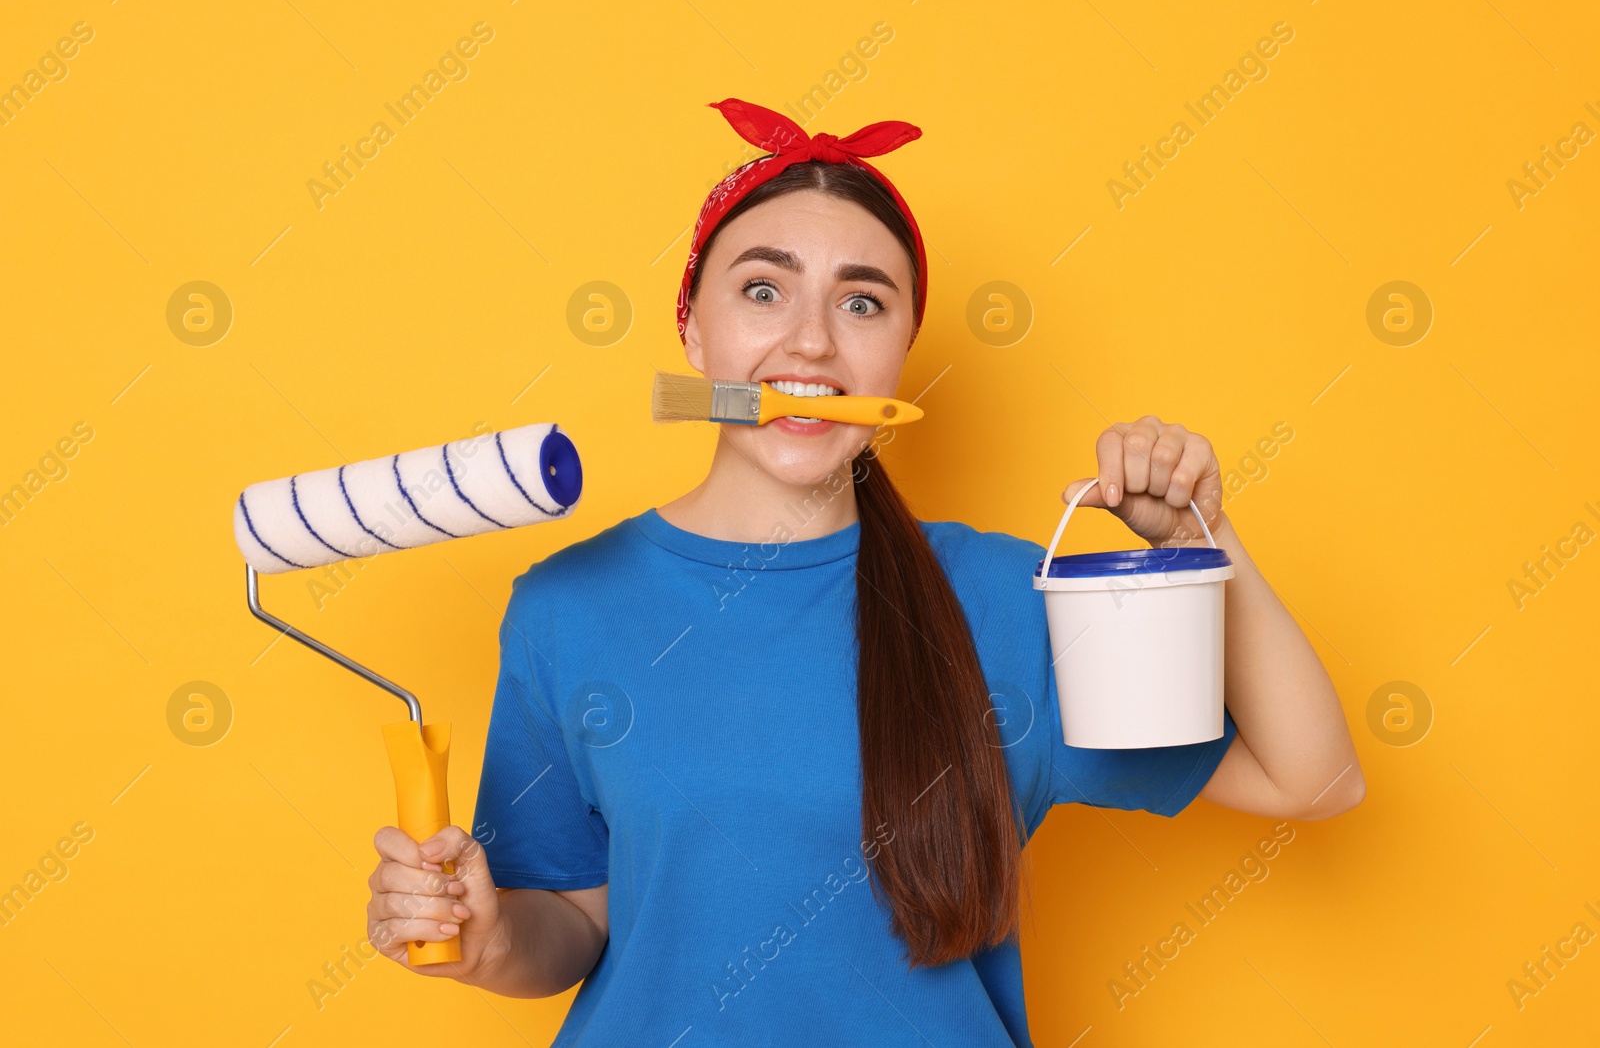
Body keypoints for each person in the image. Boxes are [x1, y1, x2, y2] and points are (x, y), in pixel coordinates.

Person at [364, 97, 1364, 1046]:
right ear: (693, 328)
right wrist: (485, 938)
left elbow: (1310, 775)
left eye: (862, 301)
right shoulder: (566, 605)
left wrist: (1202, 533)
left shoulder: (1008, 601)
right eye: (763, 289)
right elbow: (578, 913)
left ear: (901, 350)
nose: (809, 340)